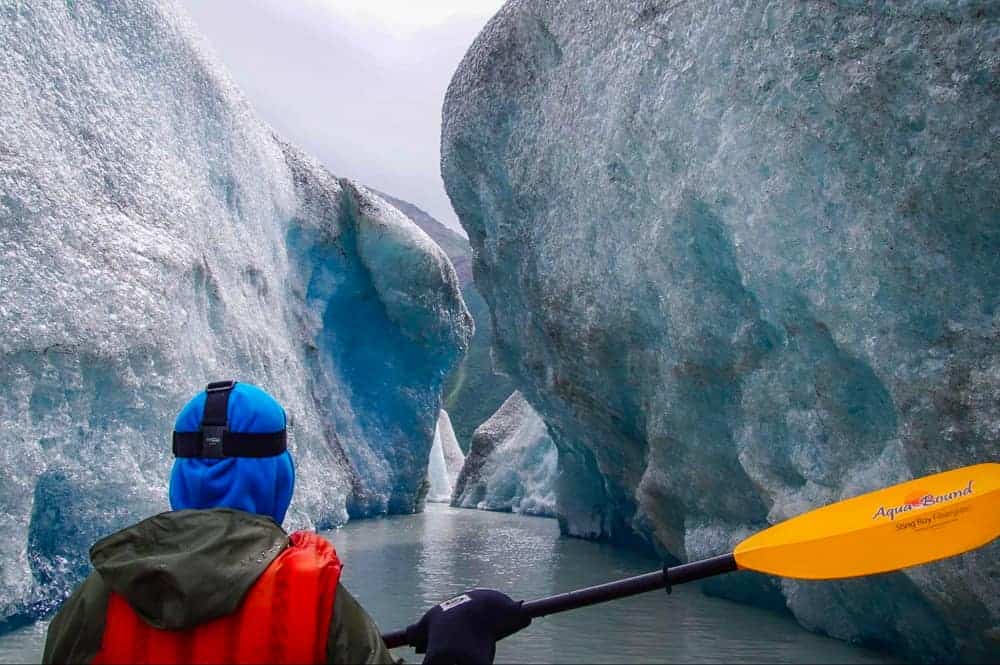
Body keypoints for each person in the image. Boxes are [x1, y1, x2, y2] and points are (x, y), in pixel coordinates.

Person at [42, 380, 528, 664]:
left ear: (180, 477)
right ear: (278, 477)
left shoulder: (100, 598)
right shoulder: (315, 603)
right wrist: (454, 649)